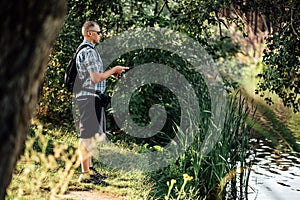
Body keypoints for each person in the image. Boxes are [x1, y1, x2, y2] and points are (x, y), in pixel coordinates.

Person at [75, 21, 128, 184]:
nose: (101, 35)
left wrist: (111, 74)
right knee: (86, 136)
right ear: (89, 33)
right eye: (98, 32)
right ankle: (84, 174)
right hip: (88, 98)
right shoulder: (89, 52)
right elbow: (95, 78)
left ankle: (89, 170)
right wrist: (114, 70)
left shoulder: (88, 51)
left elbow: (94, 75)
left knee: (90, 135)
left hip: (91, 97)